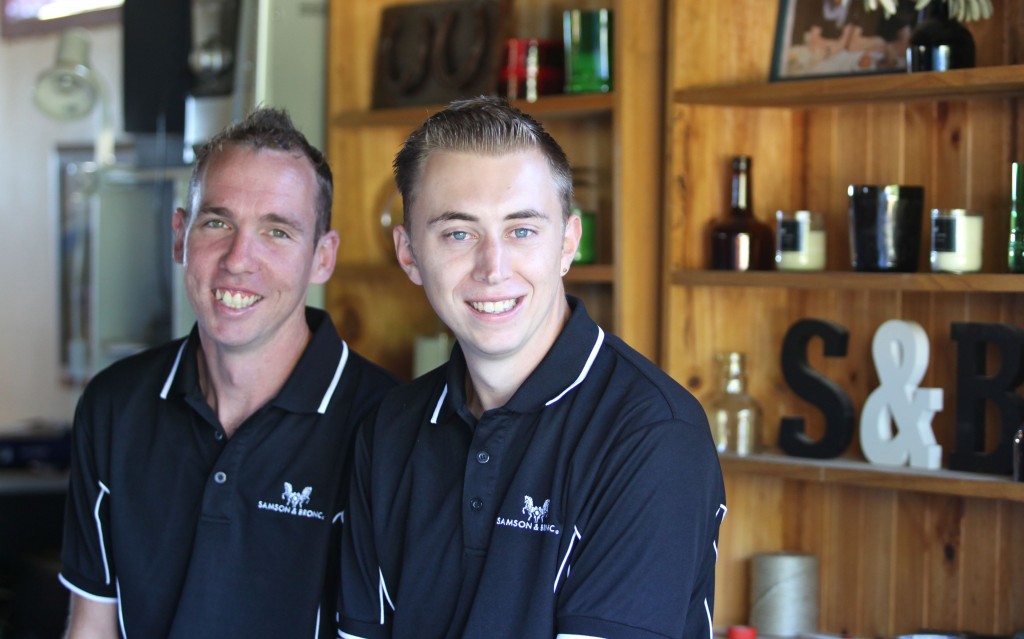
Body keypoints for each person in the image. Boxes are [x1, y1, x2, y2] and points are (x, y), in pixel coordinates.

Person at [337, 96, 726, 639]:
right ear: (408, 255)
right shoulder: (389, 430)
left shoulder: (652, 435)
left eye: (521, 230)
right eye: (458, 233)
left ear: (568, 243)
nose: (493, 269)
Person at [58, 107, 399, 638]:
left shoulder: (392, 428)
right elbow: (91, 626)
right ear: (180, 236)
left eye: (277, 232)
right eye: (217, 222)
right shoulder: (114, 406)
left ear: (322, 258)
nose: (239, 259)